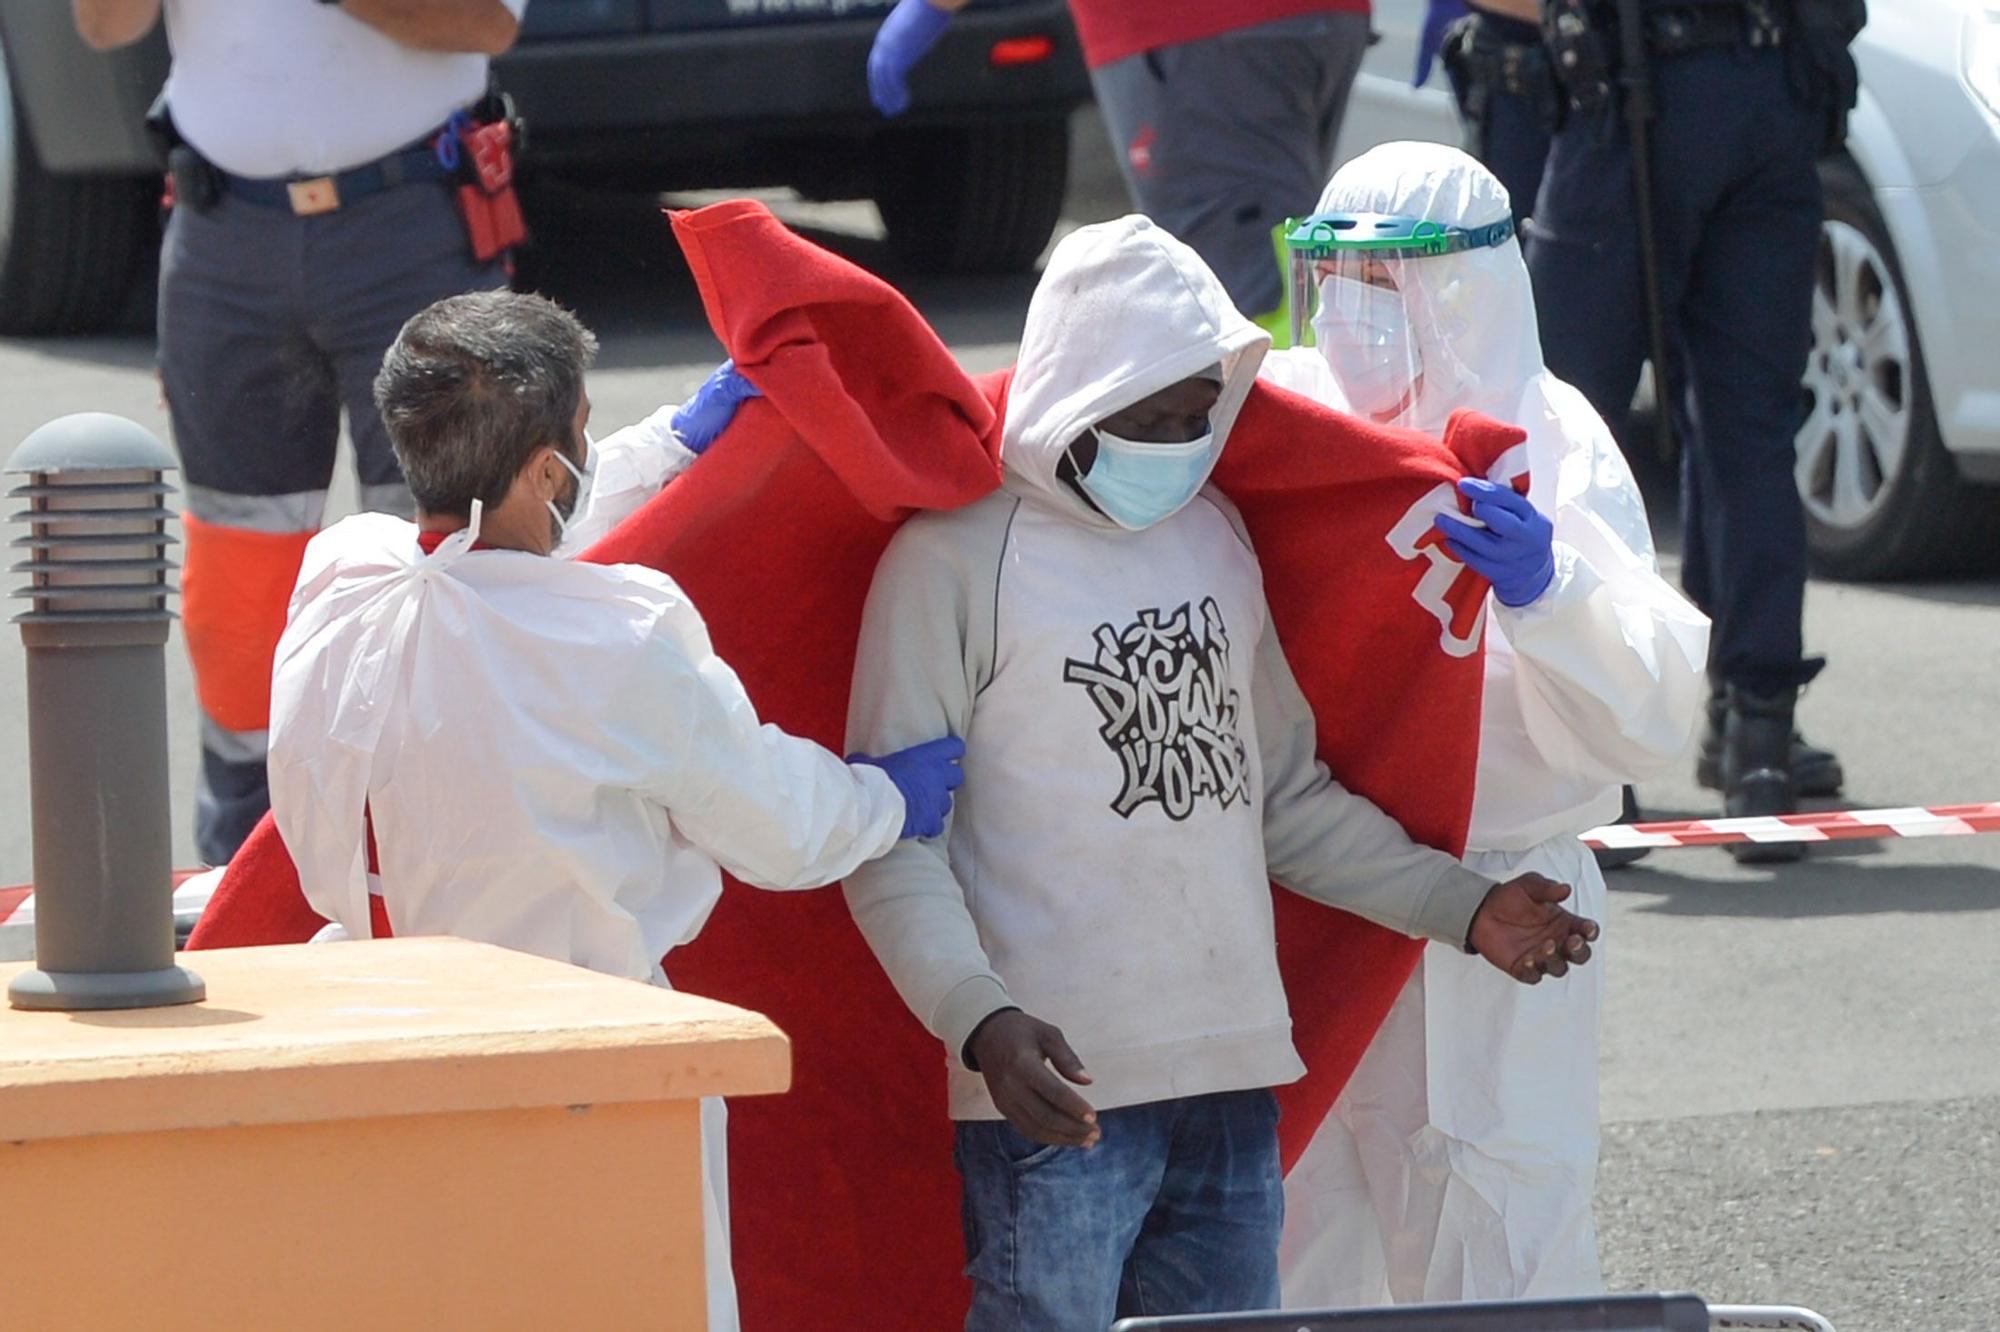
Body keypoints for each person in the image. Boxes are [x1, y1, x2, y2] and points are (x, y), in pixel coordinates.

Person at [841, 214, 1601, 1331]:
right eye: (1149, 419)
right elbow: (890, 838)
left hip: (1232, 1078)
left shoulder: (1215, 537)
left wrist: (1466, 908)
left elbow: (1281, 803)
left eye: (1198, 415)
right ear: (1072, 397)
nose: (1179, 443)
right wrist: (981, 1022)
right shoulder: (950, 563)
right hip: (1053, 1093)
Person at [266, 290, 969, 1331]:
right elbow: (777, 825)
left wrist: (659, 451)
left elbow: (485, 554)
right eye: (581, 434)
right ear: (549, 468)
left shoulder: (340, 574)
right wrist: (884, 798)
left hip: (365, 1063)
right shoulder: (621, 636)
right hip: (579, 1079)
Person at [1262, 143, 1709, 1305]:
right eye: (1336, 285)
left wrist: (1550, 588)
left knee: (1494, 1235)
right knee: (1295, 1231)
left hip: (1500, 889)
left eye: (1387, 288)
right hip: (1315, 879)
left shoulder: (1549, 440)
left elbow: (1653, 710)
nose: (1353, 323)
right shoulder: (1293, 414)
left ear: (1464, 289)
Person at [73, 0, 531, 867]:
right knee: (239, 576)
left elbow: (484, 23)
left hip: (413, 218)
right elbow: (102, 25)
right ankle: (243, 866)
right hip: (223, 234)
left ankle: (454, 862)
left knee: (448, 561)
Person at [1527, 0, 1862, 858]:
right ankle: (1758, 747)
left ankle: (1601, 761)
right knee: (1751, 430)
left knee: (1572, 424)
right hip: (1768, 88)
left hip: (1640, 96)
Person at [865, 0, 1373, 324]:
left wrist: (931, 6)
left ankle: (1274, 470)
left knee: (1238, 294)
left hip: (1192, 31)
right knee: (1283, 256)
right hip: (1321, 22)